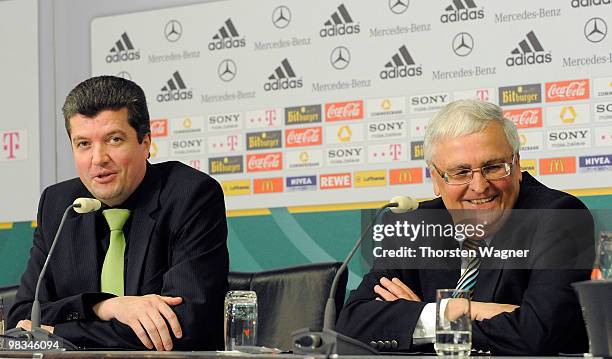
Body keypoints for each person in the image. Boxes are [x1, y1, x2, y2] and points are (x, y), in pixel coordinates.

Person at [336, 99, 594, 355]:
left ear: (516, 166)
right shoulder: (413, 225)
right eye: (460, 172)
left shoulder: (559, 215)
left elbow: (539, 332)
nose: (480, 185)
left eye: (493, 167)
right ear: (435, 179)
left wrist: (418, 317)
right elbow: (352, 323)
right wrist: (452, 312)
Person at [7, 76, 229, 351]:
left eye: (114, 139)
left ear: (145, 142)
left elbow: (183, 326)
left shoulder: (190, 195)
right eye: (83, 144)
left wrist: (58, 333)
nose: (98, 158)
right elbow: (21, 320)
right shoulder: (59, 204)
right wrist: (104, 306)